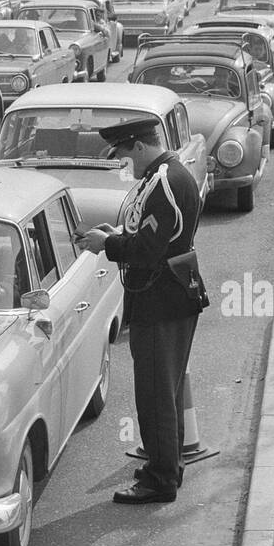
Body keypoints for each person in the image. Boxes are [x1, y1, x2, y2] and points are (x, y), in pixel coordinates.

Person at [77, 116, 208, 504]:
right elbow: (154, 236)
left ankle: (159, 479)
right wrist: (118, 235)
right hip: (172, 294)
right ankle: (169, 466)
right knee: (164, 391)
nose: (124, 164)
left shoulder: (164, 181)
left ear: (137, 145)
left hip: (161, 298)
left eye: (123, 154)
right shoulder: (166, 174)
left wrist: (107, 245)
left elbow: (148, 252)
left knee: (154, 394)